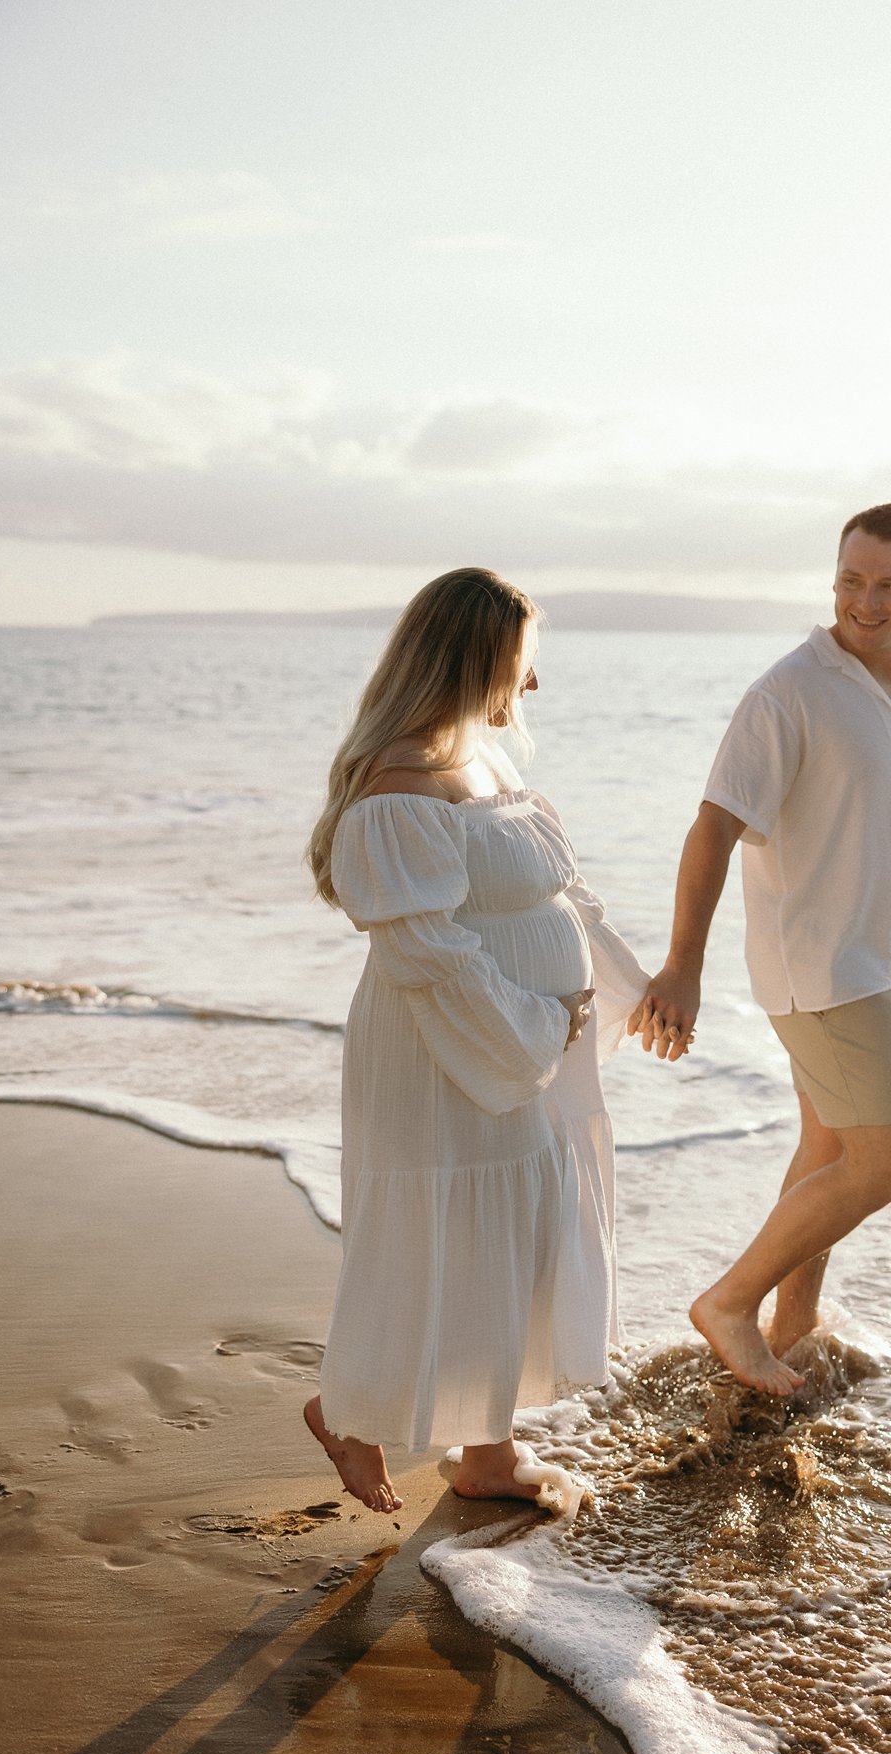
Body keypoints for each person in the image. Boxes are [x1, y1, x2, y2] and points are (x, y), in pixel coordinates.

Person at [632, 503, 891, 1396]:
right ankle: (730, 1304)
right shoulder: (788, 691)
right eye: (850, 580)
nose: (866, 601)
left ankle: (790, 1324)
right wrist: (682, 963)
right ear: (834, 579)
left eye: (889, 585)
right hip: (820, 968)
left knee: (829, 1152)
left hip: (884, 960)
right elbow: (713, 824)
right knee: (889, 1162)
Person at [303, 569, 649, 1514]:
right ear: (470, 661)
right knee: (444, 1233)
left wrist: (628, 988)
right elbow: (429, 954)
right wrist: (540, 1024)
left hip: (516, 1043)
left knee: (517, 1230)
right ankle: (349, 1413)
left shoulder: (479, 760)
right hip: (449, 1046)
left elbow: (559, 896)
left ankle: (489, 1453)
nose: (529, 688)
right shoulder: (393, 793)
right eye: (520, 666)